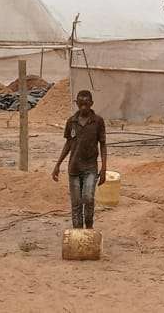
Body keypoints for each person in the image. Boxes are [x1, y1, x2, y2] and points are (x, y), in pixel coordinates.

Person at [52, 90, 107, 230]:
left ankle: (89, 229)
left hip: (90, 168)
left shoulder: (98, 121)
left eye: (86, 104)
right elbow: (68, 144)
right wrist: (57, 165)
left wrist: (104, 168)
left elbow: (103, 144)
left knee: (88, 198)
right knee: (76, 203)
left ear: (91, 104)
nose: (83, 107)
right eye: (81, 104)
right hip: (74, 168)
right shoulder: (71, 122)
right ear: (77, 104)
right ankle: (77, 233)